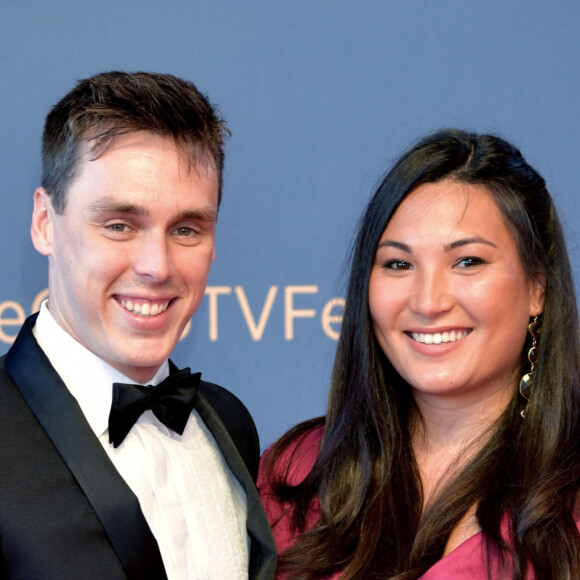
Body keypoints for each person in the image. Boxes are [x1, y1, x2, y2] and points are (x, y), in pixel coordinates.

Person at [258, 129, 580, 579]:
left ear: (538, 287)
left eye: (468, 261)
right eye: (398, 264)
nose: (429, 301)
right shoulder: (298, 470)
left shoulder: (570, 495)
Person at [0, 71, 276, 579]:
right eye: (119, 225)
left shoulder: (229, 423)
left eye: (187, 229)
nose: (157, 265)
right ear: (45, 222)